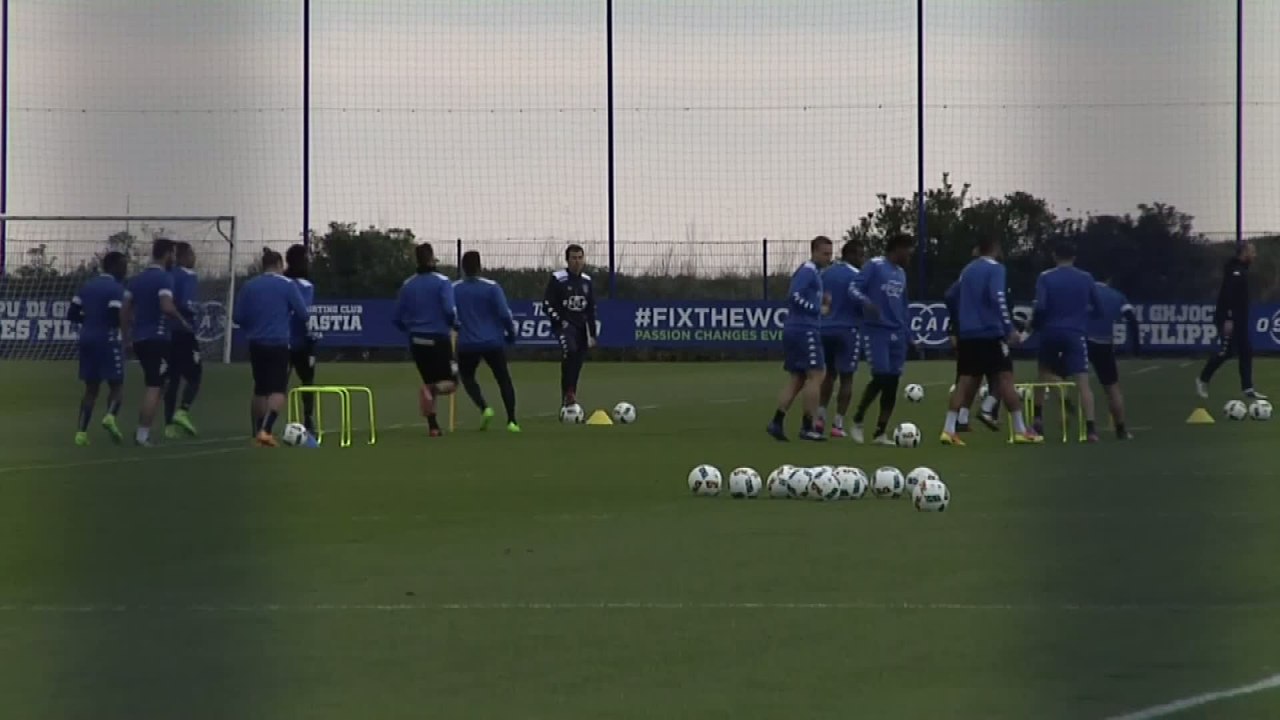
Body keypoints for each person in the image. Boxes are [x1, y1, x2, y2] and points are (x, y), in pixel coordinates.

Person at [940, 237, 1041, 446]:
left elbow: (951, 295)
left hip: (968, 334)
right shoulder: (996, 268)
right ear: (994, 249)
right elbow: (998, 298)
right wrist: (1009, 329)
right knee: (1005, 378)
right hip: (990, 333)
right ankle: (1020, 429)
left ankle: (949, 430)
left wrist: (959, 323)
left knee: (964, 381)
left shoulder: (967, 270)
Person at [233, 248, 310, 447]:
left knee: (260, 389)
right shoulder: (287, 285)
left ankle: (256, 431)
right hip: (278, 343)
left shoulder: (250, 286)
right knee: (278, 390)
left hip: (256, 343)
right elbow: (304, 313)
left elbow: (238, 318)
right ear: (279, 264)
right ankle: (265, 430)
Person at [1031, 240, 1103, 442]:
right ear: (1074, 257)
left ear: (1054, 256)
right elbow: (1098, 308)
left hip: (1050, 331)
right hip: (1075, 332)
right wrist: (1081, 314)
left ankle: (1038, 419)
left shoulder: (1045, 277)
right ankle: (1091, 429)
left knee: (1043, 375)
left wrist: (1035, 325)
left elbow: (1041, 307)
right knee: (1083, 381)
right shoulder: (1086, 278)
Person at [123, 237, 191, 446]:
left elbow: (125, 310)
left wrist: (127, 337)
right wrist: (183, 321)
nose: (174, 258)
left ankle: (144, 431)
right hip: (157, 339)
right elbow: (166, 306)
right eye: (173, 253)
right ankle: (142, 435)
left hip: (140, 340)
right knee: (155, 385)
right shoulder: (164, 279)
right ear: (167, 254)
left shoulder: (136, 279)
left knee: (160, 383)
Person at [848, 234, 914, 445]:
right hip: (876, 330)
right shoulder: (875, 266)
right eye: (908, 249)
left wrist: (909, 334)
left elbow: (903, 306)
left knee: (893, 382)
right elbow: (853, 288)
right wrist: (867, 303)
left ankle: (880, 432)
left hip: (897, 333)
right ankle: (858, 419)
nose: (910, 254)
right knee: (881, 376)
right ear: (898, 249)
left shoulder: (901, 274)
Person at [766, 236, 834, 442]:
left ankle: (777, 422)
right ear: (814, 252)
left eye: (830, 254)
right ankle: (808, 426)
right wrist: (817, 309)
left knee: (798, 379)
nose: (828, 258)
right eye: (825, 253)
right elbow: (794, 296)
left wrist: (820, 302)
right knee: (817, 374)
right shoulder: (808, 271)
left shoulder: (813, 273)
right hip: (804, 329)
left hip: (796, 329)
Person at [395, 242, 458, 437]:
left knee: (429, 379)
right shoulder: (442, 281)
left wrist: (411, 330)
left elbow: (397, 318)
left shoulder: (408, 284)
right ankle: (431, 390)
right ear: (432, 258)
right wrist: (454, 323)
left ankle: (433, 427)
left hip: (416, 340)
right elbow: (449, 310)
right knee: (451, 382)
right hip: (438, 338)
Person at [453, 251, 520, 433]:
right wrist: (511, 334)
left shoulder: (455, 288)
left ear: (463, 268)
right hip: (492, 342)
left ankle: (484, 408)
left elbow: (450, 314)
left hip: (467, 343)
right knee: (503, 379)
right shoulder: (492, 287)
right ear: (480, 266)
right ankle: (512, 421)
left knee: (467, 377)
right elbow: (505, 314)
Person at [67, 251, 129, 446]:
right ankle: (110, 416)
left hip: (86, 339)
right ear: (114, 266)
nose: (126, 269)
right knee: (117, 385)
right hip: (107, 340)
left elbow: (72, 314)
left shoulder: (87, 286)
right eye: (124, 265)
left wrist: (91, 321)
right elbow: (113, 315)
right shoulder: (116, 288)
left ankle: (81, 434)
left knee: (91, 389)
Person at [1197, 241, 1267, 401]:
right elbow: (1229, 295)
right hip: (1229, 319)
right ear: (1244, 253)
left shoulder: (1241, 270)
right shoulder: (1235, 271)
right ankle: (1202, 379)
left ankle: (1248, 389)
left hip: (1239, 320)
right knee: (1226, 352)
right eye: (1252, 251)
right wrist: (1228, 318)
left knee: (1246, 351)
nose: (1255, 255)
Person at [814, 239, 864, 438]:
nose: (863, 259)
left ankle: (820, 418)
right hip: (847, 331)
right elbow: (861, 303)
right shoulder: (857, 276)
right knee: (847, 378)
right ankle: (838, 424)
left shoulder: (825, 273)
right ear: (850, 255)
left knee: (828, 375)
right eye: (860, 255)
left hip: (824, 329)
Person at [542, 244, 598, 408]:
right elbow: (547, 304)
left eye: (580, 257)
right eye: (573, 258)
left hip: (581, 328)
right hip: (565, 326)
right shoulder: (558, 279)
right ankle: (568, 395)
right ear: (567, 260)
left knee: (577, 363)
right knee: (570, 352)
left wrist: (592, 334)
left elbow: (591, 309)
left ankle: (569, 396)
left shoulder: (587, 281)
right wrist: (559, 321)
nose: (577, 261)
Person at [1087, 275, 1140, 440]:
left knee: (1076, 381)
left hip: (1082, 341)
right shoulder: (1116, 295)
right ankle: (1121, 430)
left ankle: (1089, 429)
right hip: (1104, 343)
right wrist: (1136, 345)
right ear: (1109, 279)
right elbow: (1131, 319)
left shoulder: (1084, 292)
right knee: (1112, 388)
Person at [162, 241, 202, 438]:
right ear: (185, 256)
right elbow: (188, 304)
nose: (195, 258)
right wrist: (195, 312)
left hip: (167, 334)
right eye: (193, 254)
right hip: (184, 332)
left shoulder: (168, 275)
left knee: (173, 379)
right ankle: (183, 410)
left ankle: (168, 426)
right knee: (195, 375)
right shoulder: (188, 275)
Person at [284, 244, 319, 433]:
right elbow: (304, 314)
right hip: (300, 341)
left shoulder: (282, 283)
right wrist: (312, 336)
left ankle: (265, 425)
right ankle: (309, 420)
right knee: (307, 381)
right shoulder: (306, 287)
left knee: (277, 384)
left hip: (281, 340)